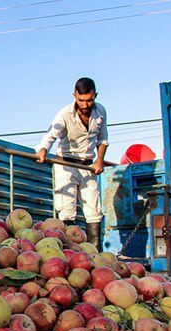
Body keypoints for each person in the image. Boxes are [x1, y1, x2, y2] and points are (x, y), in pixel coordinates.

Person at [35, 77, 108, 250]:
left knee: (94, 210)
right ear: (74, 95)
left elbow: (103, 139)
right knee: (66, 208)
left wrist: (99, 160)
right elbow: (50, 134)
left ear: (95, 96)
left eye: (89, 100)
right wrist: (43, 149)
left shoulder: (101, 112)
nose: (85, 105)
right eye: (81, 100)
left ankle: (95, 253)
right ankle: (68, 251)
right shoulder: (64, 114)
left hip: (88, 165)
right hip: (65, 164)